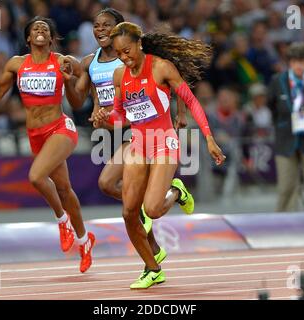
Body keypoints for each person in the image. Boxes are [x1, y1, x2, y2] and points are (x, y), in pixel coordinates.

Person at [94, 22, 226, 289]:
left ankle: (176, 191)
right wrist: (105, 118)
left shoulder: (161, 67)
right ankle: (153, 269)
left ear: (139, 43)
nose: (124, 57)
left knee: (152, 209)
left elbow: (190, 100)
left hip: (164, 142)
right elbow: (121, 117)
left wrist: (209, 138)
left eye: (128, 51)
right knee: (129, 213)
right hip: (138, 144)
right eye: (119, 53)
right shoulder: (120, 75)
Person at [64, 8, 187, 276]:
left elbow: (171, 79)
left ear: (121, 30)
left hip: (138, 130)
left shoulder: (131, 59)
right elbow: (77, 100)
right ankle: (154, 249)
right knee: (125, 199)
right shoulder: (90, 62)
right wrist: (67, 82)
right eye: (96, 25)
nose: (100, 30)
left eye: (107, 25)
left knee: (109, 185)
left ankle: (155, 244)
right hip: (112, 131)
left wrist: (181, 112)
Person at [0, 16, 95, 273]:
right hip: (36, 134)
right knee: (64, 190)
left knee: (36, 177)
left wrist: (74, 85)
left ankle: (62, 220)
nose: (41, 29)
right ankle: (84, 240)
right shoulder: (16, 64)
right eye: (36, 28)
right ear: (28, 39)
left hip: (60, 128)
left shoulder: (63, 61)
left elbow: (83, 92)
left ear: (52, 38)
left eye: (45, 27)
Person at [267, 42, 304, 212]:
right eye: (295, 61)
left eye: (302, 61)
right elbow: (272, 106)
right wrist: (282, 125)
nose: (298, 65)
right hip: (286, 138)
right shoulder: (277, 81)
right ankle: (284, 226)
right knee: (286, 187)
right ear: (289, 62)